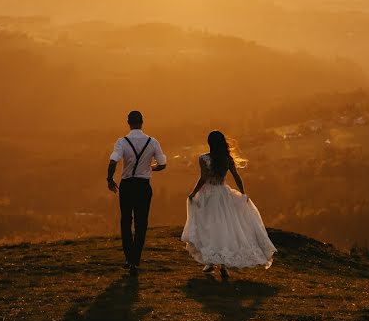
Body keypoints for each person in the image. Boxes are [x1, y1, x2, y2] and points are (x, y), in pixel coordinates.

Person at [182, 131, 276, 278]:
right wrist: (243, 193)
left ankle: (211, 263)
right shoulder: (227, 159)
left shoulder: (204, 158)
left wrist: (193, 193)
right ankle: (222, 265)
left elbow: (203, 178)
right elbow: (236, 177)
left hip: (209, 196)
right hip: (224, 194)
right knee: (224, 227)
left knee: (210, 227)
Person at [107, 111, 166, 276]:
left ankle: (128, 258)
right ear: (142, 122)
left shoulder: (121, 142)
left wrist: (110, 180)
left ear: (128, 122)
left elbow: (113, 161)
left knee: (126, 221)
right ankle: (135, 259)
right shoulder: (153, 142)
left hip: (127, 186)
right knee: (142, 223)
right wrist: (149, 168)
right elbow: (162, 164)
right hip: (143, 186)